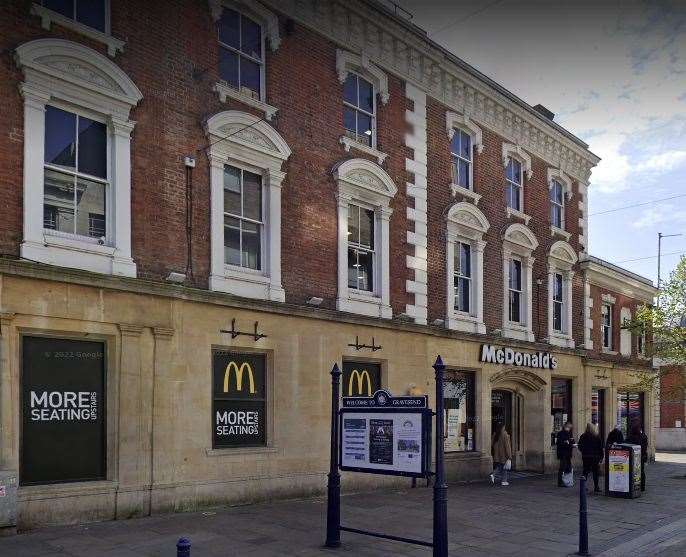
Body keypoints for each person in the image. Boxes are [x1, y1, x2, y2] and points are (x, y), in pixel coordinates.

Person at [578, 423, 604, 492]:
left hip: (586, 456)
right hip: (595, 457)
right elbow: (600, 447)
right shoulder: (596, 436)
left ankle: (583, 486)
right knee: (595, 472)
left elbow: (580, 446)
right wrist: (601, 457)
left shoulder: (583, 436)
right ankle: (596, 487)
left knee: (585, 471)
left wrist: (583, 452)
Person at [626, 422, 648, 491]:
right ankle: (642, 486)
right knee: (641, 471)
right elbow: (645, 446)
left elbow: (626, 444)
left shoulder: (631, 437)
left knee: (633, 471)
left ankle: (634, 485)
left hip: (634, 457)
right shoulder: (643, 436)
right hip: (642, 456)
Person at [556, 421, 575, 487]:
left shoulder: (569, 433)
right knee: (562, 468)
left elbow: (571, 442)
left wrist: (571, 443)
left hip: (568, 453)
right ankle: (560, 482)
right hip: (563, 453)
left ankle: (567, 481)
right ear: (565, 426)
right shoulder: (560, 433)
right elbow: (560, 443)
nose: (569, 429)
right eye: (569, 427)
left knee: (568, 468)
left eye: (570, 428)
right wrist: (568, 442)